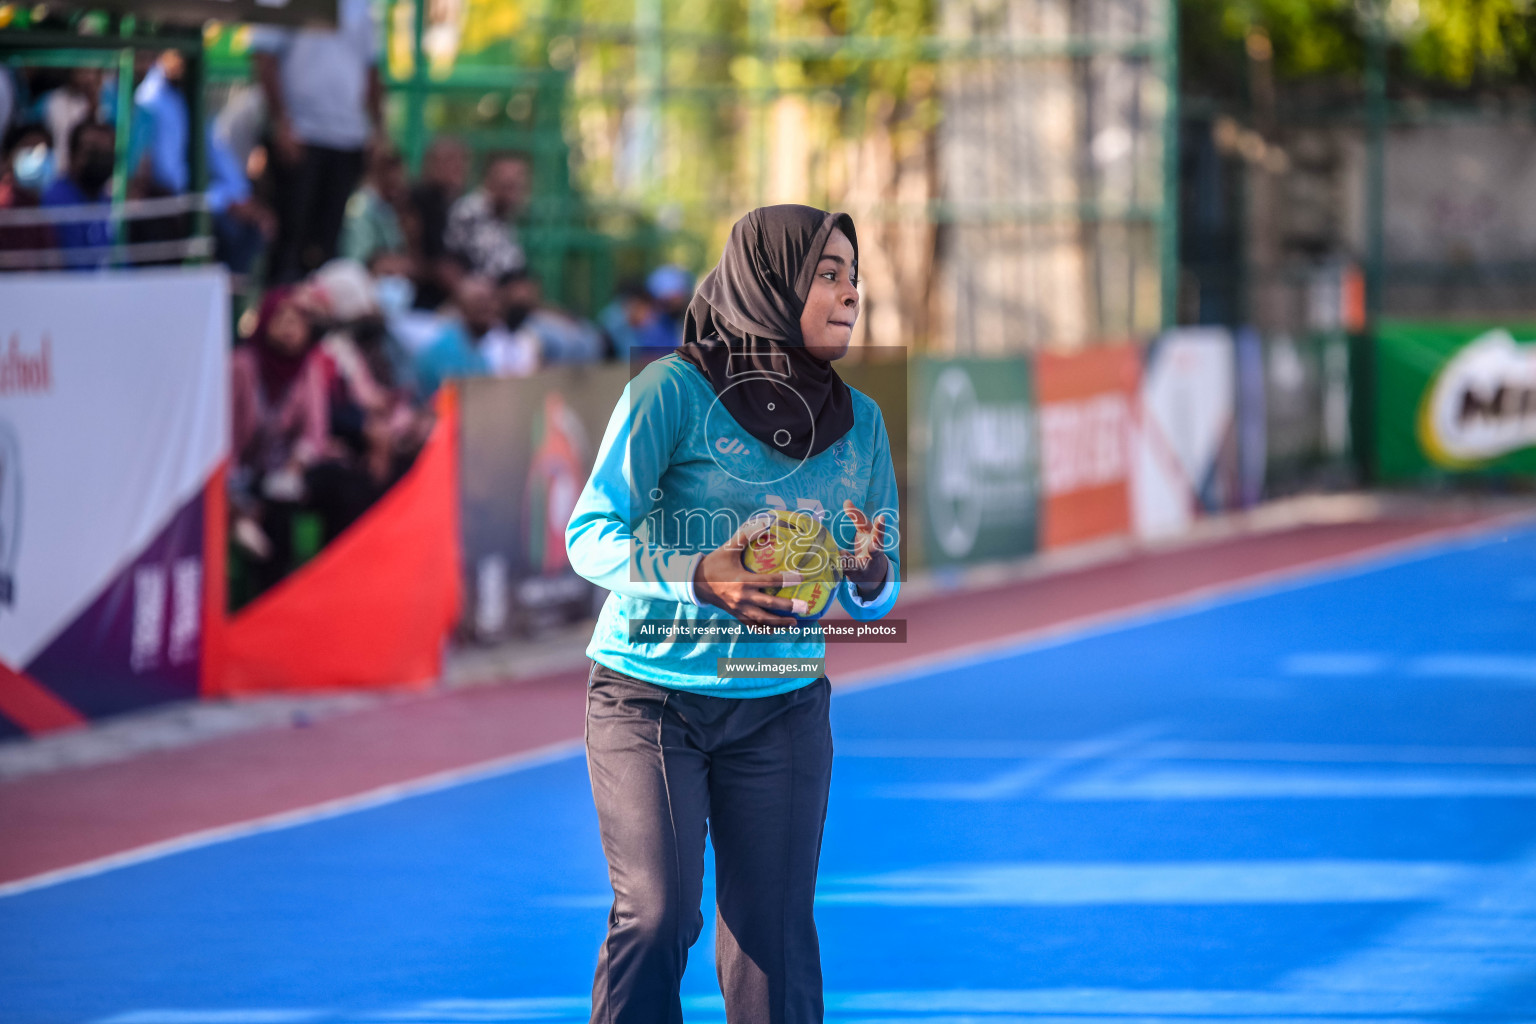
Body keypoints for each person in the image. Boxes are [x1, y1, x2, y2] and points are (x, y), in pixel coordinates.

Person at [564, 205, 901, 1022]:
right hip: (650, 699)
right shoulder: (669, 392)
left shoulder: (862, 426)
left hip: (782, 704)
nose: (851, 292)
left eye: (855, 276)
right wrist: (698, 576)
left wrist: (867, 567)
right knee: (658, 915)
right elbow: (588, 535)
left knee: (773, 939)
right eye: (828, 273)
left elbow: (882, 588)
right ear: (769, 283)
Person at [250, 0, 383, 283]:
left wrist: (378, 130)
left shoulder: (363, 6)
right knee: (289, 240)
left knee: (328, 243)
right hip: (301, 137)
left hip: (348, 138)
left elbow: (372, 67)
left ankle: (318, 320)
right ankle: (279, 315)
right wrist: (282, 124)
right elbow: (264, 57)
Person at [229, 287, 331, 595]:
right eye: (280, 319)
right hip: (239, 474)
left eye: (296, 321)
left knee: (336, 487)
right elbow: (223, 436)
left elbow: (315, 431)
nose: (289, 329)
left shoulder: (307, 367)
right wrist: (235, 492)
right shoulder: (241, 366)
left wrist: (296, 464)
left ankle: (326, 588)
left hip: (283, 471)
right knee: (271, 512)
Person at [413, 274, 538, 396]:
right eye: (480, 300)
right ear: (461, 306)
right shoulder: (444, 349)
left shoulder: (496, 340)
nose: (488, 307)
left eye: (492, 300)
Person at [40, 120, 115, 269]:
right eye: (93, 151)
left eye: (107, 152)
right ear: (73, 155)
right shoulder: (56, 200)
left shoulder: (107, 201)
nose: (101, 159)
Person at [444, 150, 529, 280]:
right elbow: (485, 270)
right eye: (508, 186)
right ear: (489, 180)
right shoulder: (470, 212)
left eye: (518, 185)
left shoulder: (503, 216)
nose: (515, 194)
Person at [407, 135, 468, 310]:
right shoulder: (415, 201)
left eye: (459, 161)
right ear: (429, 164)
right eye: (447, 160)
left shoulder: (460, 205)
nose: (455, 167)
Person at [340, 145, 408, 265]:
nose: (397, 180)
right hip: (356, 272)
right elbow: (355, 255)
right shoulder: (360, 203)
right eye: (391, 173)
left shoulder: (390, 207)